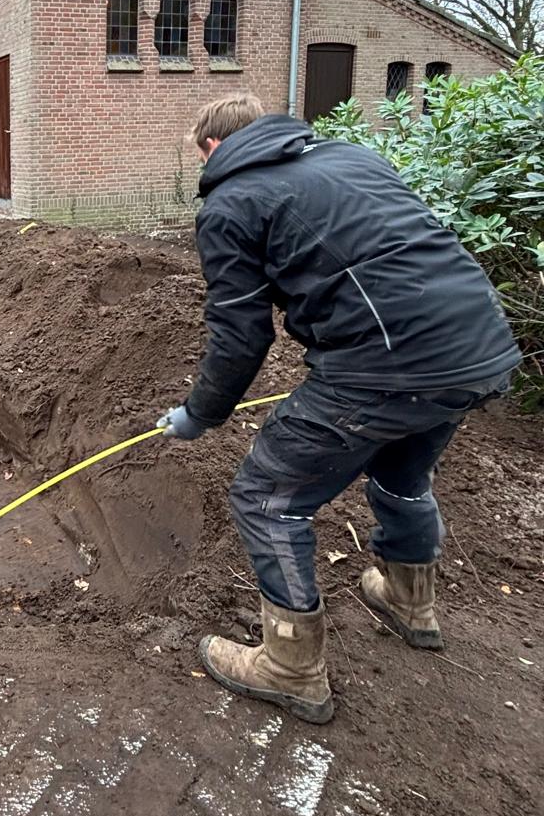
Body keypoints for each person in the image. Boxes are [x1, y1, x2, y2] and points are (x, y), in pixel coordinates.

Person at [157, 93, 521, 725]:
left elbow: (241, 336)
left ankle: (292, 667)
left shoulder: (231, 203)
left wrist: (201, 413)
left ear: (212, 147)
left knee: (267, 497)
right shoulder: (354, 158)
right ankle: (411, 604)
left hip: (384, 366)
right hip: (478, 347)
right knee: (402, 474)